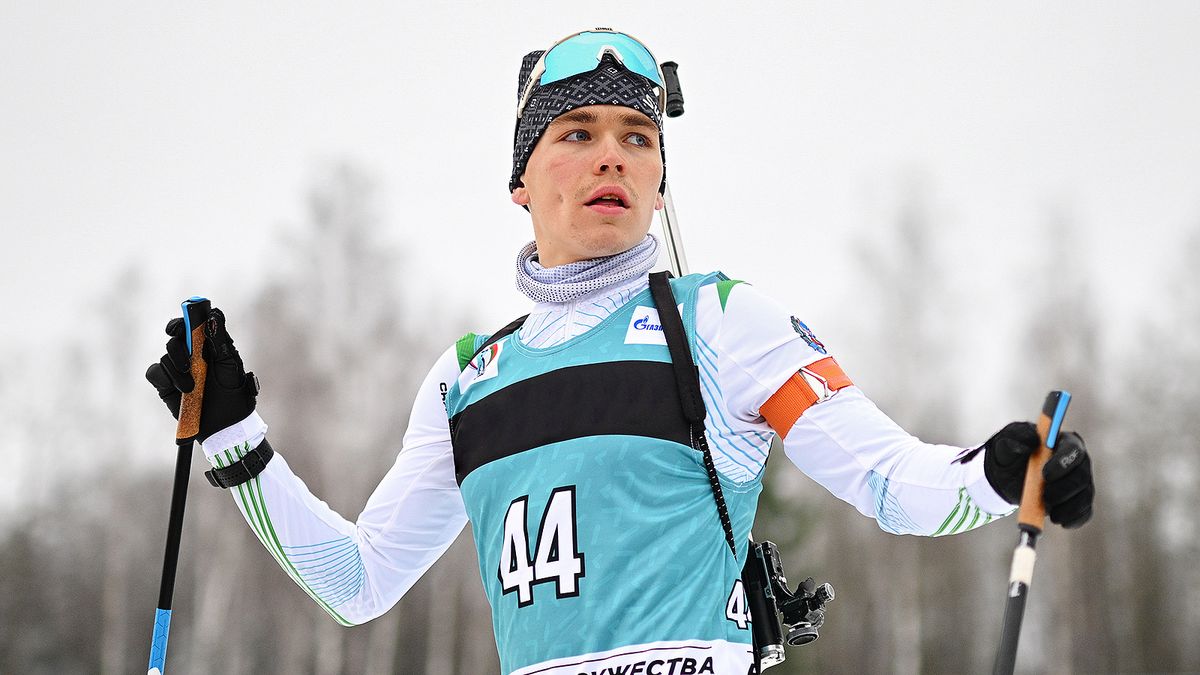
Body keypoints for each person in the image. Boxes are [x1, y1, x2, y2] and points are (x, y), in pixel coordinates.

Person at [146, 28, 1094, 675]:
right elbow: (358, 584)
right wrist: (233, 434)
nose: (612, 156)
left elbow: (892, 482)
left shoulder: (720, 321)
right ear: (521, 181)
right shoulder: (466, 378)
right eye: (578, 133)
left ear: (659, 179)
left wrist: (1001, 473)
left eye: (638, 137)